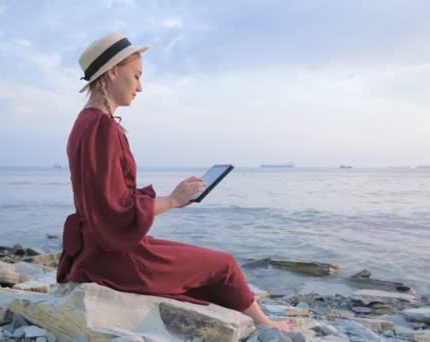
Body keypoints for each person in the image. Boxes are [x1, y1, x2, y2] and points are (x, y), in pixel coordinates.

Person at [56, 32, 293, 332]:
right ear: (113, 71)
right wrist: (174, 200)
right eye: (137, 75)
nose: (140, 86)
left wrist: (172, 198)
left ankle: (250, 320)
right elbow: (115, 212)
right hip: (115, 256)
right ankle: (267, 326)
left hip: (96, 249)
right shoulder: (102, 129)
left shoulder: (84, 123)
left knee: (203, 272)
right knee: (225, 265)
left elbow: (104, 201)